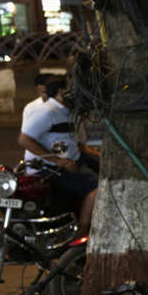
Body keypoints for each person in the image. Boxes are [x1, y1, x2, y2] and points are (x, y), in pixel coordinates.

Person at [17, 74, 97, 236]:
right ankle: (83, 232)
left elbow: (75, 143)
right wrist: (59, 161)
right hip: (50, 169)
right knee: (98, 188)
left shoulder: (66, 111)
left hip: (70, 163)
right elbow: (24, 140)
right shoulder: (46, 111)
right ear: (61, 91)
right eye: (72, 91)